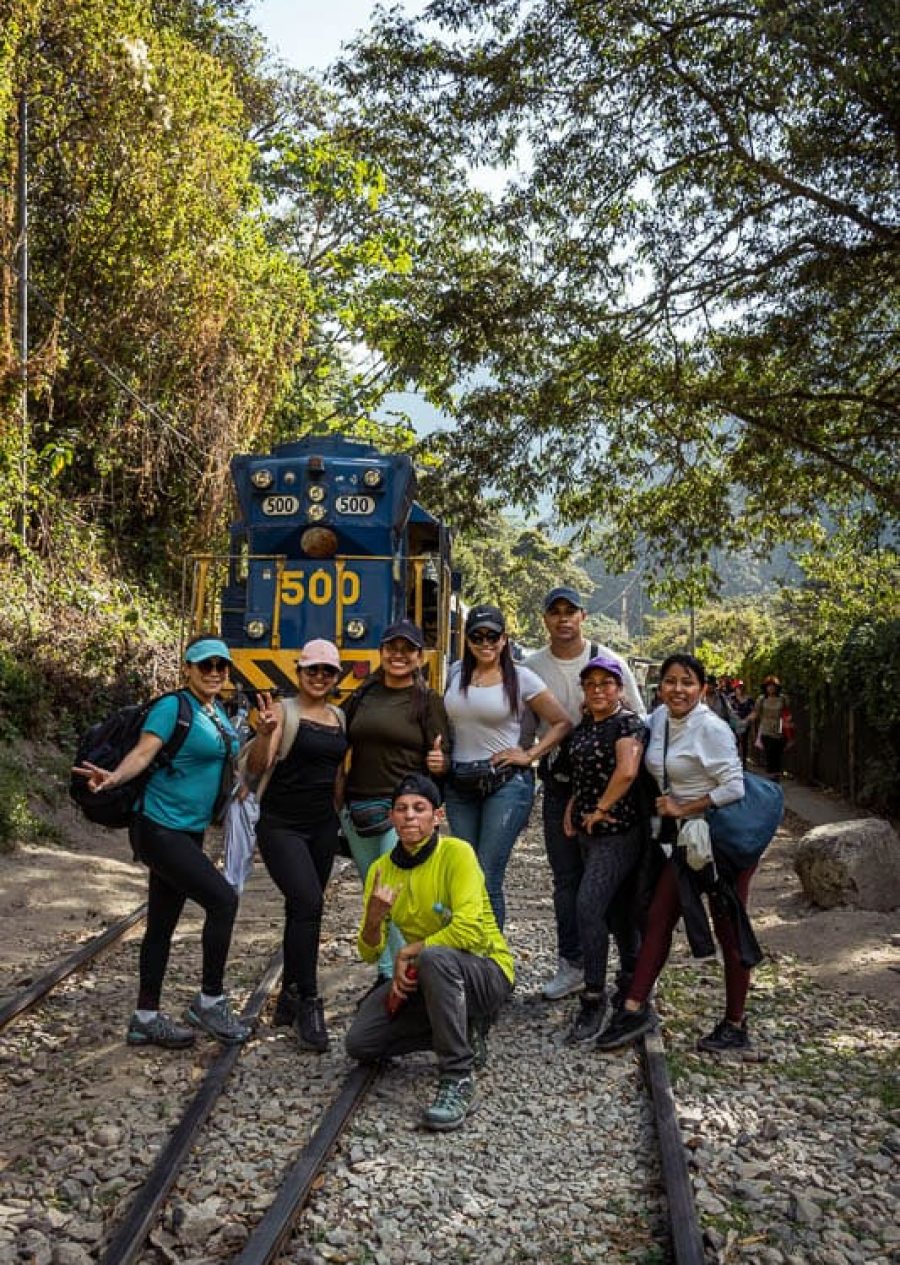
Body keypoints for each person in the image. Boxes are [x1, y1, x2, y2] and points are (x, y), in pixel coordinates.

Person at [73, 636, 249, 1049]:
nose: (213, 673)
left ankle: (145, 1017)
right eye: (204, 665)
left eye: (220, 667)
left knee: (162, 924)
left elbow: (232, 761)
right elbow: (143, 753)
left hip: (188, 829)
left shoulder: (217, 713)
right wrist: (113, 777)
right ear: (187, 667)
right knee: (223, 900)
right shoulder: (174, 707)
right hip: (158, 828)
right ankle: (209, 1001)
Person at [596, 653, 761, 1055]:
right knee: (659, 916)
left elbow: (734, 787)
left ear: (702, 689)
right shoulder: (658, 721)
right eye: (670, 681)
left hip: (720, 839)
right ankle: (635, 1006)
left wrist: (682, 808)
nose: (678, 689)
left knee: (728, 924)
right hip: (687, 841)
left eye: (687, 682)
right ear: (660, 687)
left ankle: (735, 1024)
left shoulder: (712, 729)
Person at [345, 774, 513, 1131]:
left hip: (485, 971)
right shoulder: (381, 870)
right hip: (431, 975)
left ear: (437, 816)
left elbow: (468, 929)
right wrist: (374, 919)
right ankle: (462, 1027)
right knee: (361, 1042)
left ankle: (458, 1076)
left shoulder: (456, 853)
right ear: (391, 818)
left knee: (434, 958)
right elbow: (370, 954)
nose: (409, 817)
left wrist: (410, 952)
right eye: (401, 809)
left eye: (419, 809)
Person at [525, 586, 645, 1000]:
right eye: (554, 611)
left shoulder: (609, 660)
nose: (563, 619)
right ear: (545, 619)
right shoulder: (531, 666)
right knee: (565, 881)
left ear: (582, 616)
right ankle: (572, 962)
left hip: (611, 794)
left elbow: (640, 720)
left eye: (569, 611)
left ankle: (631, 968)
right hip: (563, 788)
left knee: (611, 888)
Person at [242, 639, 348, 1051]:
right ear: (299, 673)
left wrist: (339, 818)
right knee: (308, 903)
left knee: (302, 910)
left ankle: (287, 997)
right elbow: (256, 768)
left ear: (336, 677)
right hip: (282, 826)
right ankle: (308, 1001)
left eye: (327, 672)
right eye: (312, 670)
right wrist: (266, 734)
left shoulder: (338, 716)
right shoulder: (283, 712)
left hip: (322, 826)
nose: (319, 677)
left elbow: (339, 772)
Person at [443, 603, 571, 929]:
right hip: (460, 784)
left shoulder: (522, 678)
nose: (485, 643)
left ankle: (492, 962)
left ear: (504, 640)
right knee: (463, 872)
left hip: (505, 783)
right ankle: (465, 951)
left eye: (492, 636)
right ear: (468, 640)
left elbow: (561, 722)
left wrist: (530, 755)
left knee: (488, 873)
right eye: (477, 636)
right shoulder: (456, 673)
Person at [339, 620, 451, 986]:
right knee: (373, 894)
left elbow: (444, 751)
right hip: (359, 808)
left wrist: (440, 763)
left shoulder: (427, 700)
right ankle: (387, 974)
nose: (399, 655)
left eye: (407, 649)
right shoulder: (362, 694)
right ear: (382, 652)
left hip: (401, 811)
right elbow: (332, 729)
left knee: (392, 894)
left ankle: (398, 977)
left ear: (419, 657)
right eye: (392, 648)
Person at [564, 655, 649, 1041]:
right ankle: (632, 979)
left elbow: (627, 771)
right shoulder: (585, 726)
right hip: (587, 830)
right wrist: (573, 807)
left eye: (606, 683)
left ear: (619, 688)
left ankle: (593, 996)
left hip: (617, 830)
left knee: (589, 905)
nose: (598, 690)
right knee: (615, 910)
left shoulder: (627, 724)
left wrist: (600, 809)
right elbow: (582, 775)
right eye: (591, 684)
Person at [753, 675, 790, 778]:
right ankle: (770, 779)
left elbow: (787, 714)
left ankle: (776, 779)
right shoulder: (761, 699)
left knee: (778, 757)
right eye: (768, 686)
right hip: (766, 730)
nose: (771, 688)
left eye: (773, 686)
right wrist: (745, 721)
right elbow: (755, 713)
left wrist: (789, 728)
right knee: (770, 756)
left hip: (779, 730)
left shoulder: (783, 699)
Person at [730, 680, 755, 767]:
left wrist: (747, 720)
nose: (740, 689)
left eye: (741, 687)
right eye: (738, 687)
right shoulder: (731, 698)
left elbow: (754, 711)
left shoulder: (749, 699)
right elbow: (728, 711)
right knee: (734, 742)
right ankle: (734, 762)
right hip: (734, 723)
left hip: (745, 723)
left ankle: (744, 763)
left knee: (744, 743)